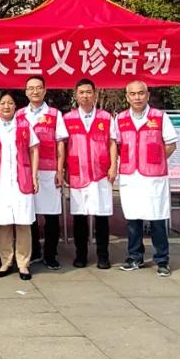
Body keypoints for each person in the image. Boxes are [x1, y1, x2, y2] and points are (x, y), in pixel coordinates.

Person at [116, 80, 178, 277]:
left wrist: (155, 160)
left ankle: (162, 259)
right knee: (133, 219)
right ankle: (135, 257)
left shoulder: (159, 117)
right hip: (130, 176)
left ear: (147, 95)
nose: (137, 97)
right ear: (127, 97)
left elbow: (171, 144)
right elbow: (116, 146)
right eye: (133, 94)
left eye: (141, 93)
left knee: (157, 218)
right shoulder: (120, 119)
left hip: (153, 178)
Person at [64, 78, 118, 269]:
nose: (85, 96)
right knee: (79, 217)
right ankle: (81, 255)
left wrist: (113, 166)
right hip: (77, 172)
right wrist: (63, 169)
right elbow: (62, 145)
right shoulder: (68, 118)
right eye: (81, 92)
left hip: (100, 173)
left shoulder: (105, 117)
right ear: (76, 95)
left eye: (88, 92)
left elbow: (112, 142)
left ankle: (103, 256)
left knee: (101, 216)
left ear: (94, 94)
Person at [0, 90, 40, 280]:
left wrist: (34, 176)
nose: (6, 106)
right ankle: (6, 262)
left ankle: (23, 264)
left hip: (21, 178)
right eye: (2, 103)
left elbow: (34, 150)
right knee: (4, 223)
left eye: (10, 103)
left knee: (23, 223)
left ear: (16, 106)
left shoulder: (24, 125)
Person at [18, 75, 67, 269]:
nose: (35, 91)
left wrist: (60, 170)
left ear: (45, 91)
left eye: (39, 88)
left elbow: (60, 143)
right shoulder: (19, 114)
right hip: (25, 170)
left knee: (51, 214)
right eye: (31, 88)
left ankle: (50, 254)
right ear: (26, 92)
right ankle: (34, 252)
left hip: (48, 170)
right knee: (29, 213)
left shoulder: (54, 114)